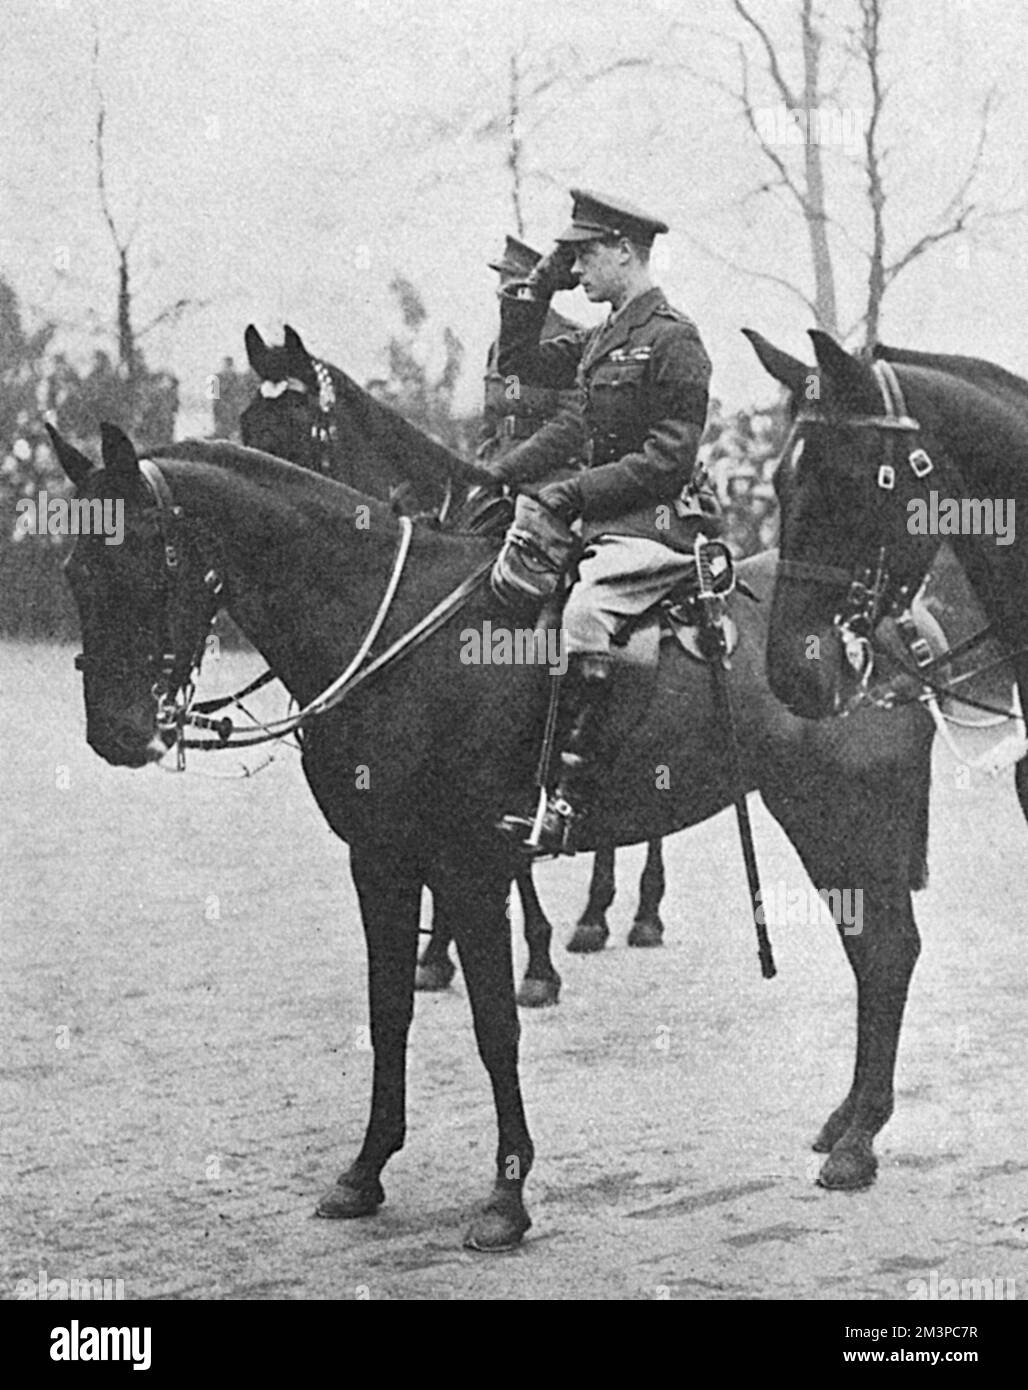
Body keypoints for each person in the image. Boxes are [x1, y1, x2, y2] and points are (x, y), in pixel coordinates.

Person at [483, 188, 718, 857]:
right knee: (503, 591)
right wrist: (538, 281)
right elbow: (520, 365)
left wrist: (573, 494)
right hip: (596, 522)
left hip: (653, 525)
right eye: (572, 256)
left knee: (584, 615)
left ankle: (568, 795)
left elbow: (669, 461)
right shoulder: (602, 339)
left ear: (624, 250)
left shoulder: (675, 340)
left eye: (586, 254)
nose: (578, 268)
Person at [477, 235, 584, 470]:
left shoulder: (567, 337)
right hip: (498, 460)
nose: (500, 291)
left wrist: (513, 464)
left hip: (548, 467)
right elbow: (490, 416)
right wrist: (486, 454)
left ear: (534, 285)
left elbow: (571, 421)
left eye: (509, 282)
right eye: (501, 280)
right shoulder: (500, 346)